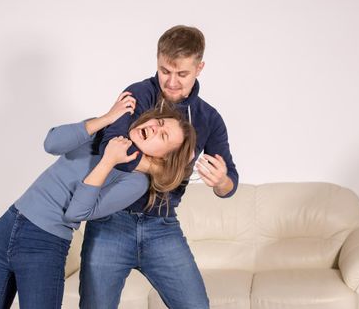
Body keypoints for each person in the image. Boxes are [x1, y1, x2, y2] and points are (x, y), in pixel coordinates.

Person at [0, 92, 196, 309]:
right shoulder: (107, 132)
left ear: (165, 156)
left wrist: (108, 161)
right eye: (160, 122)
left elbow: (76, 213)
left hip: (44, 243)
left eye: (163, 135)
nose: (156, 128)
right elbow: (51, 143)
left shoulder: (136, 182)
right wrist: (106, 118)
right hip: (8, 224)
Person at [79, 25, 239, 308]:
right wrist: (163, 171)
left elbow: (230, 186)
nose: (172, 82)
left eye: (182, 74)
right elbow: (110, 149)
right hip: (110, 223)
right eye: (165, 71)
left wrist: (222, 180)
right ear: (157, 60)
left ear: (199, 67)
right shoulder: (137, 94)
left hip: (162, 226)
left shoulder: (209, 119)